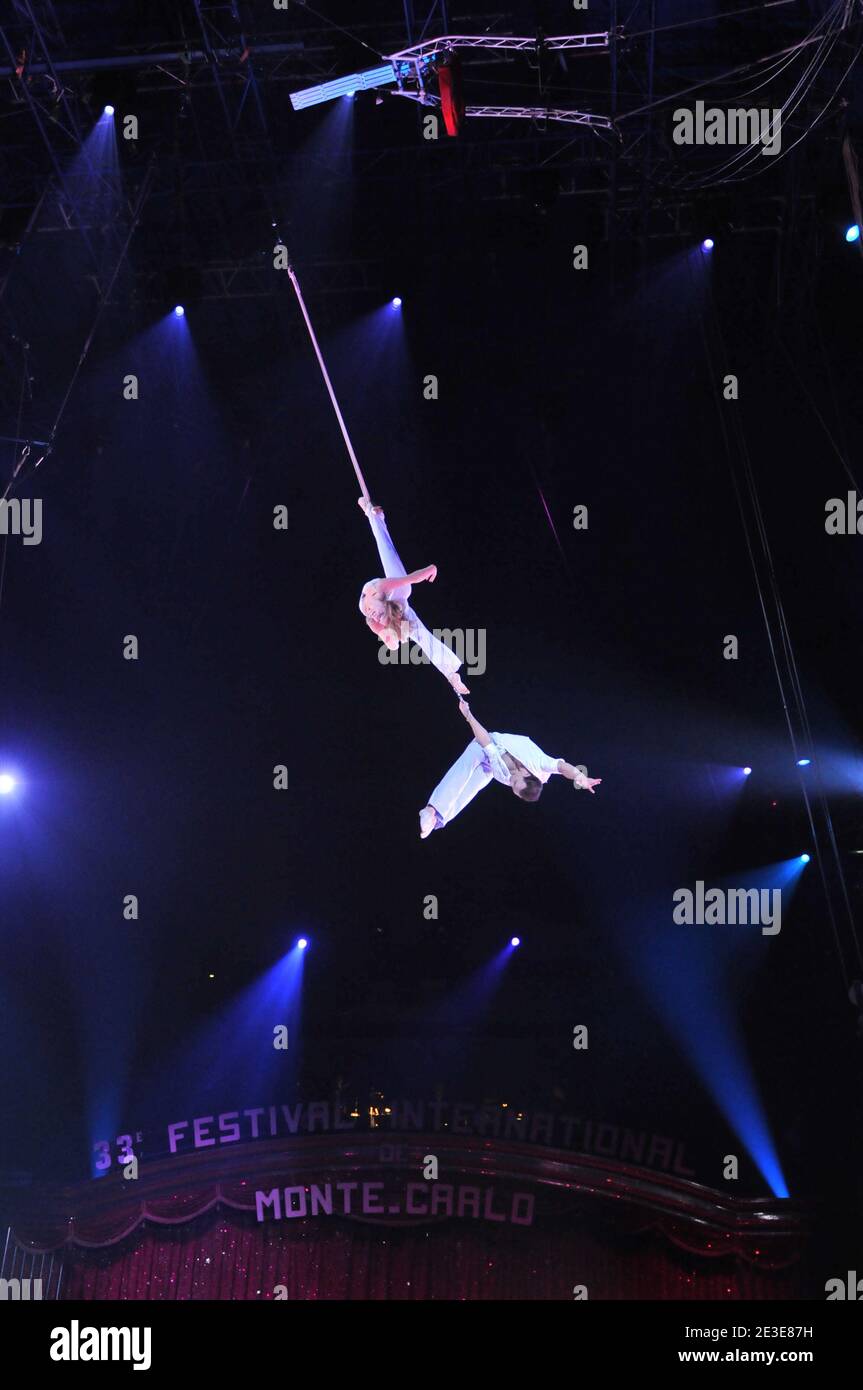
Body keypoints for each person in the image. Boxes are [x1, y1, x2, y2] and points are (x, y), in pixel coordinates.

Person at [419, 699, 601, 837]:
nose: (510, 783)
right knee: (463, 770)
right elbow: (562, 768)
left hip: (493, 766)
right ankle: (432, 810)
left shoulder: (508, 777)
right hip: (487, 744)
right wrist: (580, 777)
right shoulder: (540, 763)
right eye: (515, 782)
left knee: (469, 791)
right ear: (526, 773)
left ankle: (437, 820)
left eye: (513, 788)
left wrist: (510, 779)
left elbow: (504, 774)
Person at [357, 497, 469, 695]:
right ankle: (452, 675)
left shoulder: (380, 590)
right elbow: (411, 583)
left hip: (392, 596)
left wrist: (430, 569)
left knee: (396, 570)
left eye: (376, 616)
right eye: (378, 617)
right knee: (417, 633)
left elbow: (409, 577)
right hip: (395, 610)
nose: (374, 616)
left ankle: (372, 515)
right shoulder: (389, 613)